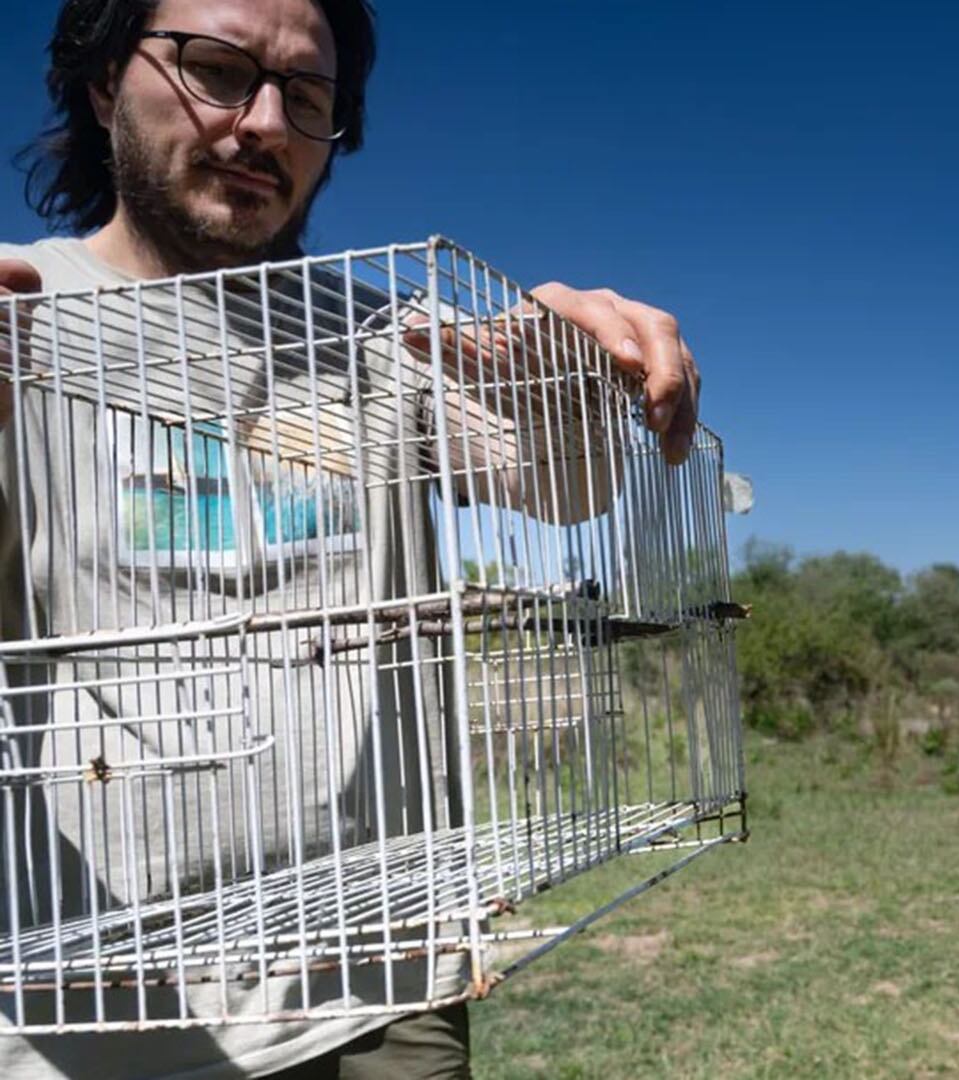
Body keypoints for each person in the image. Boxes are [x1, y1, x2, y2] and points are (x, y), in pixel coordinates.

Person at [0, 1, 702, 1076]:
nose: (265, 124)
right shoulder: (21, 319)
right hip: (93, 1016)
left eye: (309, 98)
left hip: (382, 985)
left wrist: (576, 383)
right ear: (104, 86)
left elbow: (558, 486)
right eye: (216, 70)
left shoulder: (381, 337)